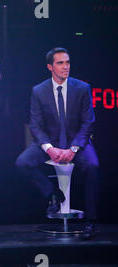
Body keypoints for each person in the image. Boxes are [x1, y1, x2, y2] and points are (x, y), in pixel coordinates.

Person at [15, 47, 99, 239]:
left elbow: (88, 122)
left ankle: (91, 221)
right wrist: (50, 149)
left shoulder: (82, 88)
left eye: (67, 62)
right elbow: (35, 125)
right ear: (50, 67)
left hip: (76, 143)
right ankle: (52, 193)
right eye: (60, 63)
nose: (65, 67)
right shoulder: (38, 91)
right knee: (22, 163)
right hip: (49, 144)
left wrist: (74, 149)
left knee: (93, 166)